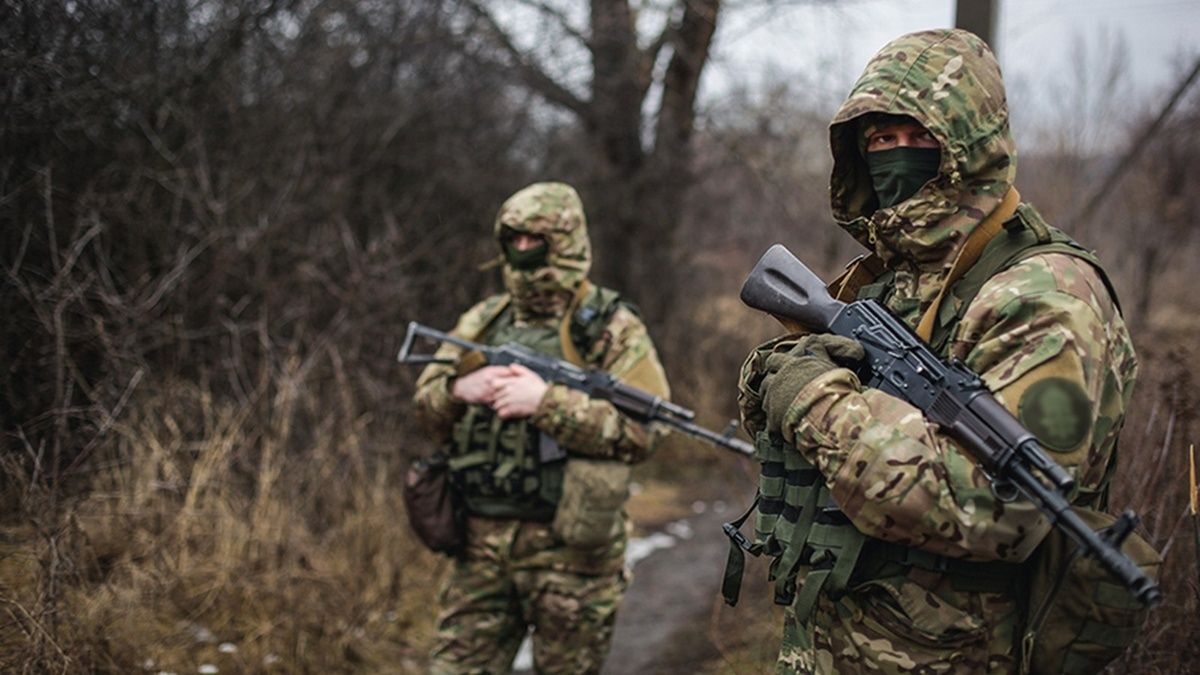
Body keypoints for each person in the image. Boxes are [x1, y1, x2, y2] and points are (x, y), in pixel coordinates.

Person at [735, 29, 1138, 673]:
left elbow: (1000, 510)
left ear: (969, 145)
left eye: (920, 137)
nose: (897, 156)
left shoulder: (1047, 297)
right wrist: (779, 378)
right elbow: (782, 400)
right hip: (834, 642)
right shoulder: (894, 275)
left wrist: (814, 401)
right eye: (880, 140)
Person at [412, 181, 670, 674]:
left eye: (538, 239)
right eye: (515, 239)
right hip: (479, 548)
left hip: (573, 556)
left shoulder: (609, 327)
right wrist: (459, 389)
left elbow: (647, 431)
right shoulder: (484, 320)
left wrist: (546, 403)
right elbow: (425, 412)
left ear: (567, 242)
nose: (524, 249)